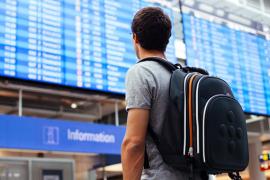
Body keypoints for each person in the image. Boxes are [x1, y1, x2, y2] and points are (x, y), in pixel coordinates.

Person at [121, 7, 202, 180]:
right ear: (166, 40)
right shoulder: (182, 77)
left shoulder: (141, 72)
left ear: (135, 38)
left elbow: (133, 143)